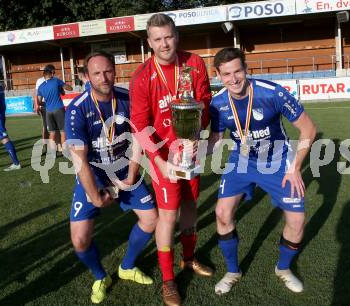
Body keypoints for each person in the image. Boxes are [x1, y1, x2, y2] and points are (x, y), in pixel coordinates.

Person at [207, 48, 317, 295]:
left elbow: (309, 129)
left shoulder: (272, 93)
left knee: (297, 221)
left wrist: (295, 168)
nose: (233, 79)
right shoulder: (217, 103)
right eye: (226, 74)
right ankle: (233, 271)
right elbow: (215, 140)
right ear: (218, 75)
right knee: (222, 214)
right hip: (242, 160)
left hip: (278, 161)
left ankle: (284, 268)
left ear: (246, 69)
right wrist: (192, 151)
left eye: (237, 71)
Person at [130, 13, 212, 306]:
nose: (165, 44)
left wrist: (198, 135)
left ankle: (188, 259)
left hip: (191, 151)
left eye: (169, 36)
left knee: (191, 204)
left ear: (176, 36)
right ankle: (168, 281)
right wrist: (158, 160)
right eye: (158, 39)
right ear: (149, 42)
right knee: (168, 215)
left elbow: (205, 100)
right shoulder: (142, 77)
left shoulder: (195, 63)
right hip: (163, 158)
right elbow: (139, 126)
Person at [66, 50, 158, 304]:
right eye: (96, 73)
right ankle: (99, 276)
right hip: (93, 172)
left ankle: (126, 267)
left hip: (123, 167)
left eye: (107, 71)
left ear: (114, 71)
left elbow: (140, 139)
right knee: (80, 240)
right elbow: (79, 159)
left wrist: (131, 176)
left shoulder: (128, 99)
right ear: (87, 76)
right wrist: (95, 196)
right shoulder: (76, 109)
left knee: (151, 219)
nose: (103, 77)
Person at [37, 65, 72, 154]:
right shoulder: (56, 81)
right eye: (53, 72)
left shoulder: (41, 86)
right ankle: (65, 152)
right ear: (51, 73)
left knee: (52, 133)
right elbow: (69, 88)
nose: (54, 74)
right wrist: (62, 87)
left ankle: (52, 154)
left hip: (48, 111)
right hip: (59, 109)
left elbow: (39, 101)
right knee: (63, 132)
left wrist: (48, 102)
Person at [34, 65, 53, 154]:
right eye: (52, 71)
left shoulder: (54, 79)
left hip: (53, 105)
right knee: (45, 127)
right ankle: (45, 147)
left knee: (55, 127)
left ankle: (55, 147)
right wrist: (36, 105)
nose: (53, 73)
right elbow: (36, 94)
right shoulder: (40, 80)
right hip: (44, 105)